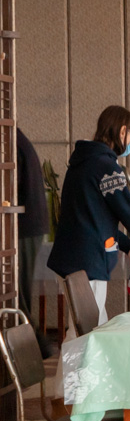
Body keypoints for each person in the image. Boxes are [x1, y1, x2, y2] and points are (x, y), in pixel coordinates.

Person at [47, 106, 130, 323]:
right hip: (87, 263)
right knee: (88, 331)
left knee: (91, 325)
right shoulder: (107, 168)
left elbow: (93, 218)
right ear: (122, 131)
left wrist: (128, 246)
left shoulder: (80, 163)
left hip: (71, 258)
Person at [16, 128, 51, 352]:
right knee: (18, 292)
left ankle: (33, 348)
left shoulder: (10, 143)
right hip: (28, 225)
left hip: (23, 226)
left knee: (17, 293)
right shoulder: (16, 139)